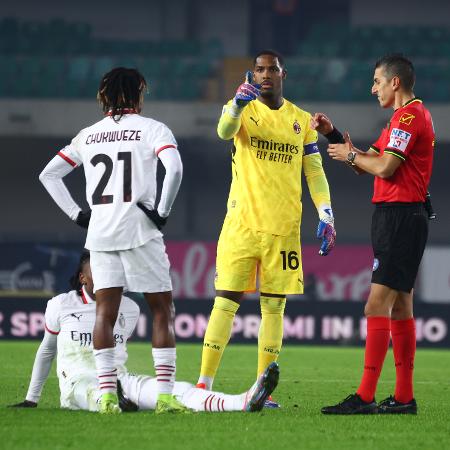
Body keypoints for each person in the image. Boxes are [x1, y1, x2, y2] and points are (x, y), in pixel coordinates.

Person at [39, 68, 184, 413]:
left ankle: (105, 397)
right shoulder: (153, 129)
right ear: (140, 93)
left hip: (100, 234)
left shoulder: (87, 136)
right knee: (162, 310)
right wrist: (162, 211)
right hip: (140, 231)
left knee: (105, 312)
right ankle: (164, 397)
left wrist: (78, 215)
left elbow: (49, 174)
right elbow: (174, 169)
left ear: (103, 97)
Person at [197, 50, 336, 405]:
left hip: (284, 228)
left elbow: (314, 171)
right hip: (241, 225)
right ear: (253, 74)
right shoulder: (241, 108)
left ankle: (263, 387)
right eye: (259, 69)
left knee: (274, 308)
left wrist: (326, 213)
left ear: (282, 73)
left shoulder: (302, 120)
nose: (265, 74)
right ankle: (203, 383)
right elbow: (223, 130)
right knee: (225, 302)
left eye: (271, 69)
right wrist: (236, 107)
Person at [311, 54, 434, 415]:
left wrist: (351, 157)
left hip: (400, 217)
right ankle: (404, 397)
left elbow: (383, 166)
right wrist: (334, 137)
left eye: (377, 81)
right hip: (399, 217)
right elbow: (368, 161)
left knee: (375, 305)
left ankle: (365, 396)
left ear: (395, 82)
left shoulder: (410, 116)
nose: (373, 87)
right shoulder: (400, 119)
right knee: (400, 307)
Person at [9, 251, 279, 413]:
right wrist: (31, 399)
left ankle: (242, 401)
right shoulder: (60, 305)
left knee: (174, 390)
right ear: (83, 277)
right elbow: (46, 351)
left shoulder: (128, 308)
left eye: (112, 269)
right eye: (99, 269)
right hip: (78, 385)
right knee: (94, 393)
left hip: (122, 379)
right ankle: (116, 399)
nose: (108, 274)